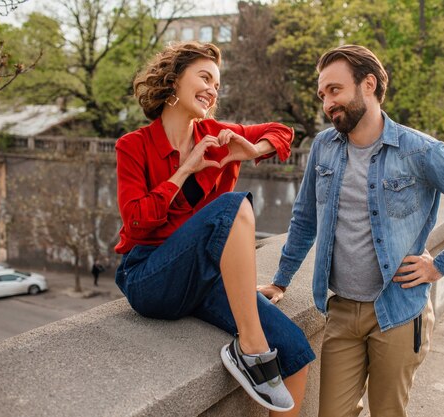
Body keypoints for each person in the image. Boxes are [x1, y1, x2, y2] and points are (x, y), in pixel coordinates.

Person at [259, 45, 444, 417]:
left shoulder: (419, 151)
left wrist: (440, 265)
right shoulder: (323, 147)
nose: (327, 103)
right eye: (322, 94)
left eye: (335, 90)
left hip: (398, 311)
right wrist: (280, 280)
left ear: (369, 85)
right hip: (341, 310)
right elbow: (304, 218)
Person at [114, 41, 313, 415]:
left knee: (295, 351)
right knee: (232, 207)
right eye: (204, 77)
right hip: (148, 277)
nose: (212, 89)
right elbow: (136, 223)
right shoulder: (134, 145)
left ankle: (256, 350)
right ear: (174, 81)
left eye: (217, 85)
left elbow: (282, 132)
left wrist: (252, 150)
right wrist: (186, 168)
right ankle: (251, 352)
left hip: (203, 278)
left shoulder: (219, 134)